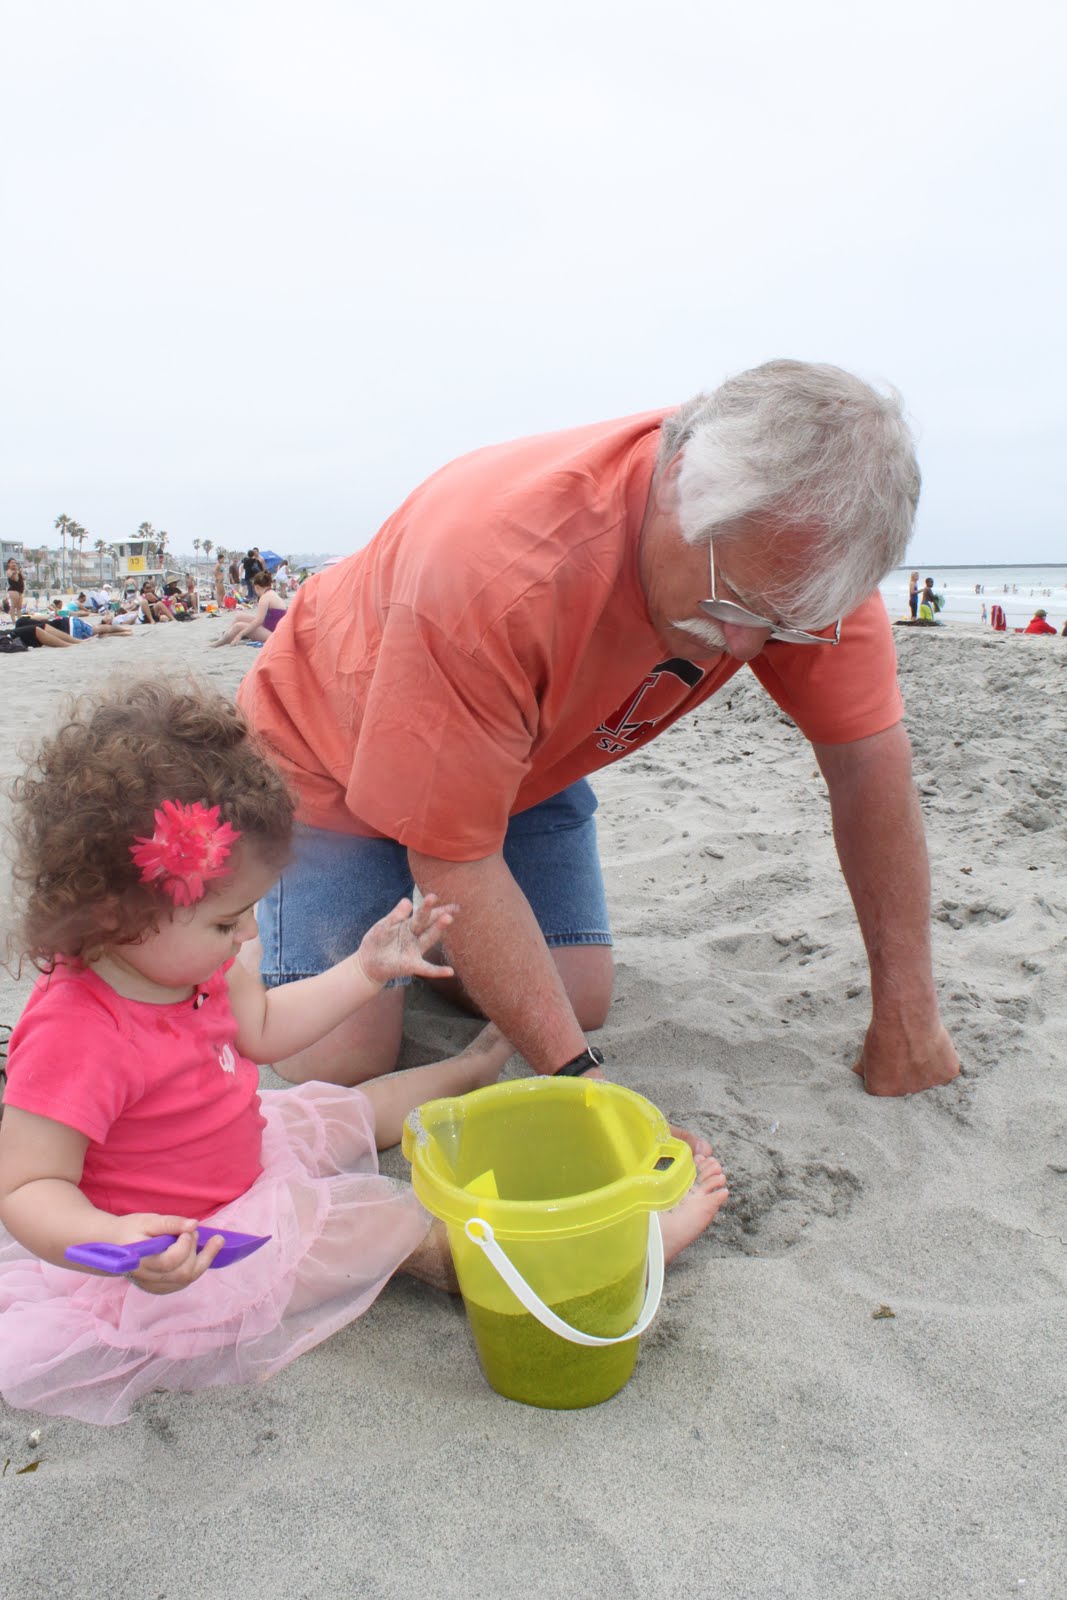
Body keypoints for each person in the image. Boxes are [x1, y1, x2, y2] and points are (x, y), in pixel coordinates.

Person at [0, 681, 725, 1423]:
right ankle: (610, 1261)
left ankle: (470, 1071)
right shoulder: (75, 1034)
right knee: (391, 1227)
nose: (247, 936)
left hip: (245, 1152)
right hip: (201, 1248)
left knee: (341, 1109)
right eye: (226, 922)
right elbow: (27, 1187)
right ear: (117, 913)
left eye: (248, 914)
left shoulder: (185, 961)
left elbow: (264, 1029)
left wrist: (364, 972)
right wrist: (111, 1239)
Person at [239, 359, 961, 1100]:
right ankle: (255, 908)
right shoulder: (495, 567)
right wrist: (589, 1090)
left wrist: (908, 1016)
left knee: (575, 996)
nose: (747, 646)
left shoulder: (800, 570)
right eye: (733, 603)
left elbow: (868, 770)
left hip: (516, 760)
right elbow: (454, 862)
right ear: (675, 482)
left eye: (782, 625)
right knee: (341, 1055)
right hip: (328, 745)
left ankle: (425, 893)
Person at [210, 570, 288, 647]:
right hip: (271, 627)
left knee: (238, 626)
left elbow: (258, 621)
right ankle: (226, 636)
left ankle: (220, 642)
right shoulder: (271, 593)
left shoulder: (265, 598)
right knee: (239, 617)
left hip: (274, 634)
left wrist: (240, 634)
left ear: (257, 587)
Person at [6, 558, 25, 624]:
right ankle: (13, 621)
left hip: (20, 590)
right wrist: (16, 572)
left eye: (15, 563)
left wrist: (20, 572)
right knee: (13, 606)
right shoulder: (9, 571)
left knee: (19, 607)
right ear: (9, 564)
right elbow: (16, 579)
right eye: (12, 563)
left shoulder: (17, 571)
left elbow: (23, 578)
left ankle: (20, 620)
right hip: (13, 590)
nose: (14, 564)